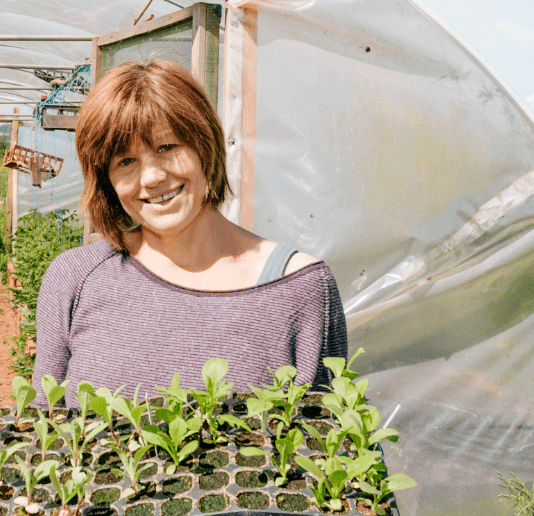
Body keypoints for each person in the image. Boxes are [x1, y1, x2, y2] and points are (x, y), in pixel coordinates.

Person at [31, 58, 347, 407]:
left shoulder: (298, 288)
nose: (151, 177)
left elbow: (327, 446)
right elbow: (42, 433)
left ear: (204, 147)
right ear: (107, 181)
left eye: (166, 147)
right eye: (125, 161)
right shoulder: (75, 277)